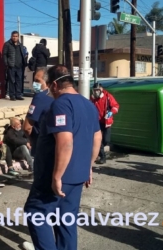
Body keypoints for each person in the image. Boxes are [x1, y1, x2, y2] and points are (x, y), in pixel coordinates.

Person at [23, 65, 102, 250]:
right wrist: (88, 166)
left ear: (56, 85)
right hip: (77, 175)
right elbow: (96, 137)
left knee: (36, 213)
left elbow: (65, 141)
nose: (49, 90)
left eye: (49, 85)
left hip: (56, 175)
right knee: (66, 220)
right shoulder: (88, 104)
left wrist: (57, 176)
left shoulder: (61, 104)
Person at [23, 67, 54, 159]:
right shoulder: (57, 96)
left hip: (41, 144)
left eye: (38, 81)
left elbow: (27, 127)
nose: (35, 84)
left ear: (47, 82)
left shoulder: (39, 97)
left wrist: (31, 140)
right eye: (34, 80)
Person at [90, 83, 119, 164]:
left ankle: (101, 152)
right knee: (98, 140)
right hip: (97, 122)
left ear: (101, 89)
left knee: (106, 140)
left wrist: (111, 112)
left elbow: (116, 106)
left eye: (97, 90)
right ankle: (102, 157)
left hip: (106, 122)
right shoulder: (92, 99)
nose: (96, 92)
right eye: (95, 90)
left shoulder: (108, 96)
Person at [2, 31, 26, 101]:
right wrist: (6, 63)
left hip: (20, 66)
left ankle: (18, 95)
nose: (15, 37)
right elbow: (4, 55)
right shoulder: (7, 44)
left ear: (18, 37)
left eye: (16, 36)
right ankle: (12, 95)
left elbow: (23, 54)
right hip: (11, 66)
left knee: (19, 81)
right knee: (12, 81)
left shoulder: (20, 45)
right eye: (13, 36)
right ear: (11, 36)